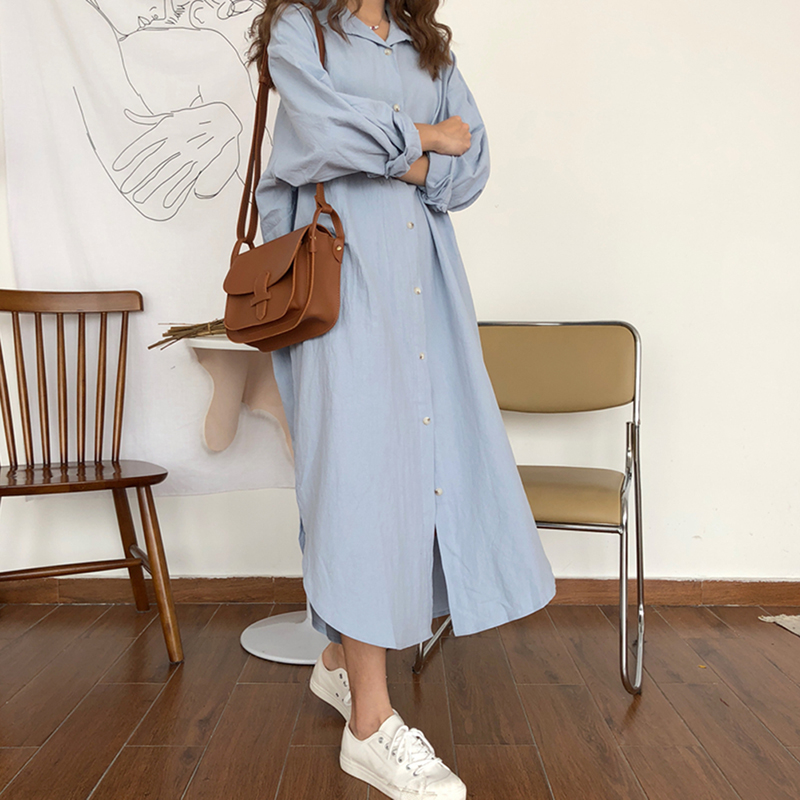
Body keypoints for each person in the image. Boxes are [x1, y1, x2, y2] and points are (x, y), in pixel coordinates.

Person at [250, 1, 557, 797]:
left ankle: (338, 662)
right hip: (339, 294)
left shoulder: (426, 49)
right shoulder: (300, 30)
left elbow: (472, 165)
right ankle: (370, 726)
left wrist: (397, 151)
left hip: (429, 297)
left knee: (424, 476)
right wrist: (424, 138)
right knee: (359, 485)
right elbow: (320, 134)